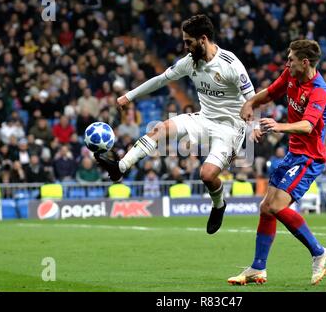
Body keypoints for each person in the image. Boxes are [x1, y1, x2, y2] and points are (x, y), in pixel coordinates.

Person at [94, 14, 255, 234]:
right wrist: (129, 96)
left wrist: (252, 128)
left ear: (203, 39)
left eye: (188, 41)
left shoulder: (231, 64)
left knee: (207, 175)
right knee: (160, 128)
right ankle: (120, 167)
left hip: (229, 128)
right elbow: (161, 79)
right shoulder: (190, 62)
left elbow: (252, 98)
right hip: (204, 118)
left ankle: (219, 205)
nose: (185, 46)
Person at [228, 40, 326, 286]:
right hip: (293, 153)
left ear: (304, 62)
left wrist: (279, 126)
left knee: (276, 206)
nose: (287, 63)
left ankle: (319, 253)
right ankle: (257, 268)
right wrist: (250, 103)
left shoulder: (319, 90)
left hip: (310, 157)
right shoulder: (290, 75)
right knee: (266, 208)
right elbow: (270, 92)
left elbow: (308, 126)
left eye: (291, 59)